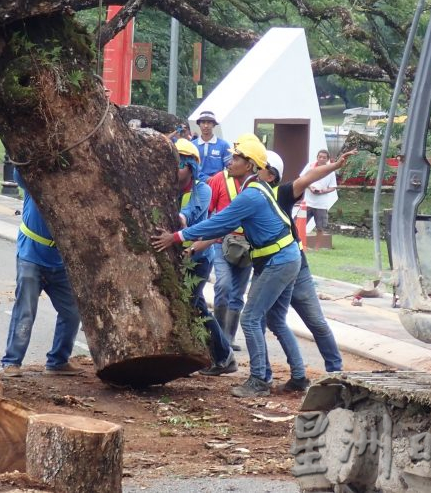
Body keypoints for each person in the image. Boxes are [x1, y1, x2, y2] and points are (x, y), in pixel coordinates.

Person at [152, 133, 305, 398]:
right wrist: (201, 242)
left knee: (250, 318)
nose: (230, 161)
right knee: (276, 320)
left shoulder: (251, 196)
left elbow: (220, 221)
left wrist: (177, 237)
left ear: (250, 165)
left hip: (277, 261)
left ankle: (259, 379)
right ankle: (299, 377)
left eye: (237, 158)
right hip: (286, 258)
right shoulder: (257, 189)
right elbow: (229, 225)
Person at [258, 149, 356, 388]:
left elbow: (308, 178)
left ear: (270, 174)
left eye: (257, 166)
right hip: (268, 268)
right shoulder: (249, 196)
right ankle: (265, 373)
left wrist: (334, 167)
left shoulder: (280, 193)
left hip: (294, 267)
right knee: (262, 320)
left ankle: (335, 371)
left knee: (313, 321)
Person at [1, 170, 81, 377]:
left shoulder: (76, 192)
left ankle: (58, 361)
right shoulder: (35, 181)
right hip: (31, 256)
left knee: (72, 312)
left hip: (60, 261)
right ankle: (11, 362)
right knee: (25, 311)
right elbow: (19, 171)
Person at [172, 139, 237, 376]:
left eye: (178, 164)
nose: (174, 169)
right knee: (180, 307)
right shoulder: (166, 186)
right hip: (176, 257)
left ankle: (224, 355)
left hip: (198, 257)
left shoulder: (203, 189)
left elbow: (191, 213)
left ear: (190, 167)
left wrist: (179, 218)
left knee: (195, 304)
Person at [202, 154, 252, 351]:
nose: (232, 162)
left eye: (237, 158)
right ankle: (220, 338)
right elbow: (209, 212)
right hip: (222, 242)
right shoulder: (218, 180)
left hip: (247, 245)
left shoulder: (256, 185)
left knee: (238, 293)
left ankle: (228, 338)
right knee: (223, 286)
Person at [301, 149, 338, 251]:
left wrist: (323, 191)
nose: (321, 159)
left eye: (324, 157)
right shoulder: (310, 166)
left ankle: (317, 248)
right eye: (320, 157)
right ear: (317, 157)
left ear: (327, 159)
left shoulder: (330, 170)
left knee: (320, 227)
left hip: (321, 204)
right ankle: (301, 245)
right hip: (307, 202)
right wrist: (310, 187)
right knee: (300, 224)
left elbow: (333, 187)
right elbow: (302, 178)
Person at [192, 110, 232, 181]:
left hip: (217, 184)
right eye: (203, 122)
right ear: (199, 124)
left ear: (213, 125)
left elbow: (230, 167)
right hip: (197, 184)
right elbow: (190, 167)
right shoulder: (192, 145)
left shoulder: (223, 145)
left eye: (209, 122)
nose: (206, 126)